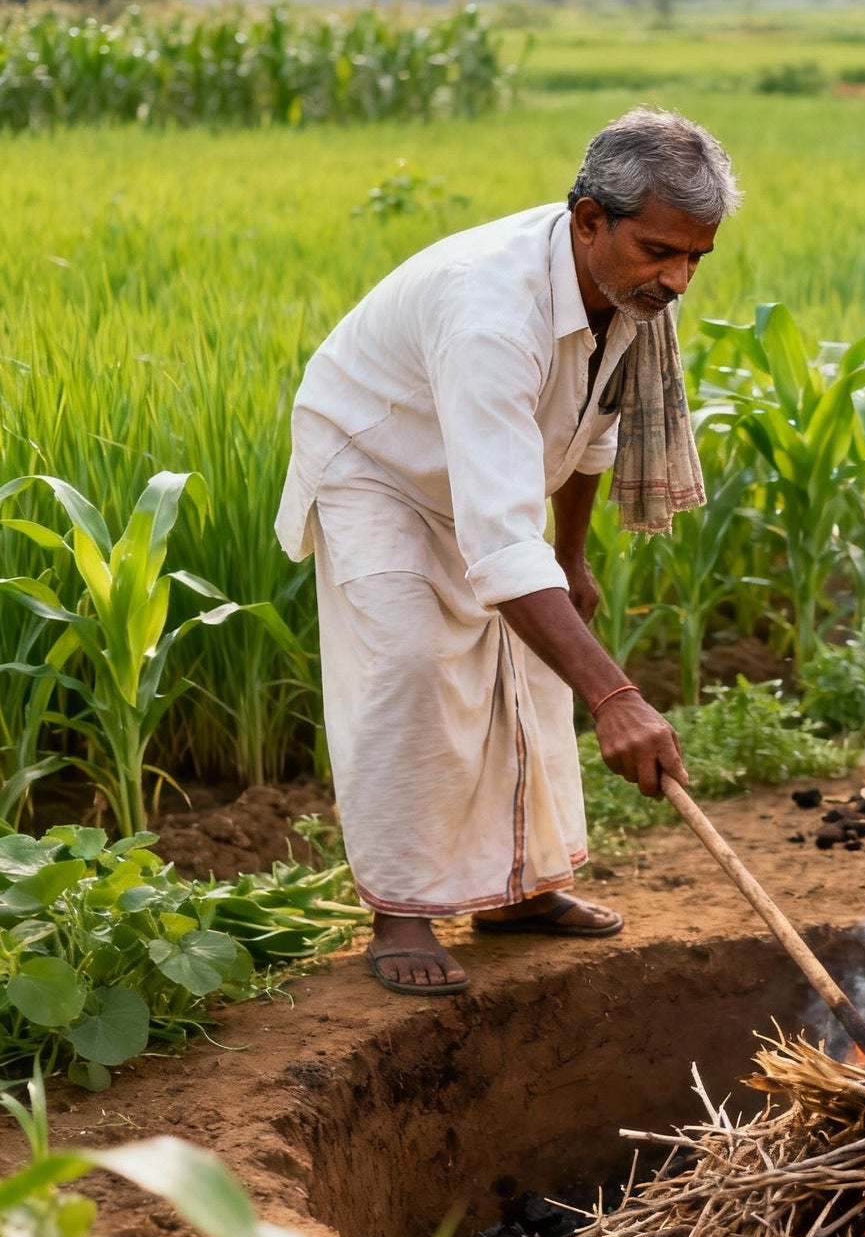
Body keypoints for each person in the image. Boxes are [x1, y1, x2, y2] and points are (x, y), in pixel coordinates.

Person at [275, 108, 739, 993]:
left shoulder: (626, 294)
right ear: (589, 218)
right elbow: (496, 545)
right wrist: (616, 698)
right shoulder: (491, 312)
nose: (678, 279)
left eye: (695, 258)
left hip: (488, 469)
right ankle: (404, 908)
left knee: (531, 659)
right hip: (380, 463)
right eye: (660, 252)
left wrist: (570, 553)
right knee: (414, 660)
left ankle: (522, 890)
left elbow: (585, 428)